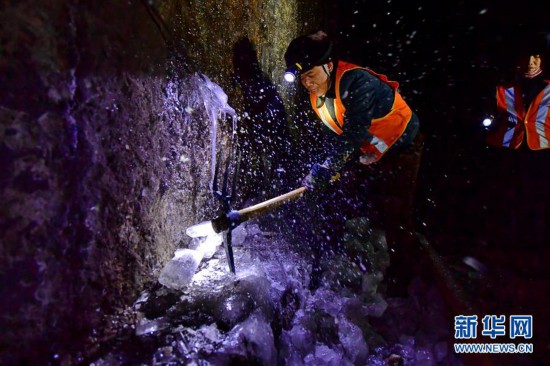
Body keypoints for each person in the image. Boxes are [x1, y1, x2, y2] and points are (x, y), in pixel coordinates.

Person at [283, 31, 425, 296]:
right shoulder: (319, 96)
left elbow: (353, 132)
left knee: (396, 209)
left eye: (310, 75)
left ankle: (402, 277)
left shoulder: (357, 82)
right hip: (366, 150)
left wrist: (329, 167)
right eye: (301, 79)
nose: (307, 83)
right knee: (346, 192)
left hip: (401, 145)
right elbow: (332, 133)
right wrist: (327, 168)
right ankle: (341, 252)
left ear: (328, 65)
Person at [485, 40, 550, 246]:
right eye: (526, 56)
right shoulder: (503, 86)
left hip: (542, 152)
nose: (531, 62)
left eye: (536, 56)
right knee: (508, 199)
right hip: (507, 151)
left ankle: (536, 244)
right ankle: (507, 241)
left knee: (539, 201)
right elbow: (485, 116)